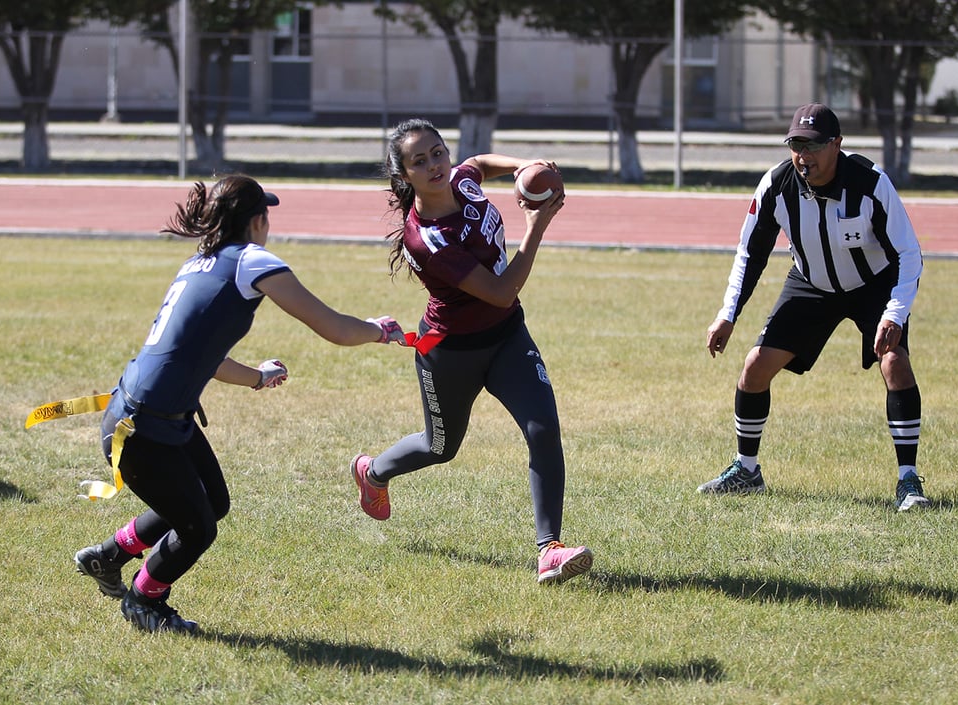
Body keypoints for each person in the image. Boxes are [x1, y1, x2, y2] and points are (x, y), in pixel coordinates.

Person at [74, 174, 407, 634]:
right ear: (256, 221)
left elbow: (203, 357)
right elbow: (331, 326)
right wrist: (377, 329)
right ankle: (143, 600)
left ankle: (108, 556)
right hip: (145, 428)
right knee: (198, 527)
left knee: (211, 502)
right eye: (266, 215)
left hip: (142, 415)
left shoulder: (200, 262)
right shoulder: (251, 261)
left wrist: (257, 377)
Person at [349, 118, 593, 585]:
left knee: (543, 430)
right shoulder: (426, 237)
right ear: (405, 176)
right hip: (450, 352)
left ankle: (549, 550)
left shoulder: (460, 177)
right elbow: (501, 291)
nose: (434, 165)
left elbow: (477, 164)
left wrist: (525, 165)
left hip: (506, 337)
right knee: (440, 447)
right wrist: (537, 224)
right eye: (419, 161)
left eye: (437, 152)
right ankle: (373, 472)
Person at [700, 103, 928, 512]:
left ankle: (908, 481)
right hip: (811, 283)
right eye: (796, 145)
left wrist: (894, 313)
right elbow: (750, 253)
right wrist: (727, 313)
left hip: (872, 285)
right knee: (755, 367)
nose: (804, 155)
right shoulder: (775, 185)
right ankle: (747, 471)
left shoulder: (871, 182)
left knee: (894, 363)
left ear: (837, 145)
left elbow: (909, 254)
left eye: (814, 145)